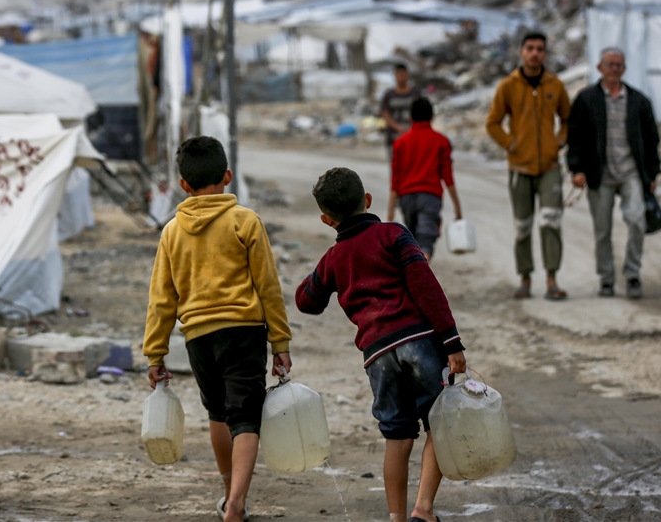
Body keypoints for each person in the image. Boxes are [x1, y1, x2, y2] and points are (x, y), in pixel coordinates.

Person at [295, 167, 466, 522]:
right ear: (368, 200)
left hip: (377, 356)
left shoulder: (333, 258)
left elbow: (306, 301)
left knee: (397, 437)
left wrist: (321, 273)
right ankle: (423, 509)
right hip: (419, 343)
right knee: (440, 424)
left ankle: (396, 517)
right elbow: (425, 286)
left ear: (327, 220)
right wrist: (452, 342)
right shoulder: (394, 234)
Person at [143, 136, 293, 522]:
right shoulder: (245, 221)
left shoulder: (172, 232)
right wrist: (280, 341)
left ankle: (228, 495)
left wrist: (155, 353)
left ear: (184, 185)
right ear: (227, 176)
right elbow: (268, 286)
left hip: (197, 337)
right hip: (243, 332)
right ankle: (238, 502)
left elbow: (161, 300)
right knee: (245, 417)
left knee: (218, 415)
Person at [567, 48, 661, 299]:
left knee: (637, 221)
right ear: (600, 68)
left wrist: (652, 174)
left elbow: (651, 139)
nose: (614, 69)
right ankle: (606, 279)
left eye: (619, 65)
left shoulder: (638, 101)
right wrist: (576, 169)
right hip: (599, 174)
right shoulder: (587, 99)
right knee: (602, 230)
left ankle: (632, 274)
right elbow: (574, 136)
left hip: (631, 173)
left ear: (624, 69)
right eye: (610, 64)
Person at [486, 32, 572, 300]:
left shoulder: (555, 84)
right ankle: (525, 279)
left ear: (545, 53)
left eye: (540, 49)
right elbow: (493, 122)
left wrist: (559, 142)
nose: (535, 53)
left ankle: (552, 280)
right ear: (522, 52)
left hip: (549, 167)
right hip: (519, 168)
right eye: (530, 48)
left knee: (550, 222)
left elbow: (568, 119)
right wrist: (511, 144)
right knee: (523, 226)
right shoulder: (508, 85)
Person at [388, 97, 463, 260]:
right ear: (432, 116)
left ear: (410, 117)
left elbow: (395, 179)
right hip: (430, 197)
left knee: (414, 240)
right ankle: (421, 268)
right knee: (426, 240)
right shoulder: (441, 141)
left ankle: (416, 269)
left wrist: (391, 208)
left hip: (406, 198)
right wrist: (457, 205)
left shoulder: (400, 143)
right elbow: (448, 177)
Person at [380, 63, 420, 159]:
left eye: (403, 74)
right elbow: (385, 114)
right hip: (393, 138)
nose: (401, 77)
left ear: (408, 75)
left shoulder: (416, 93)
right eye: (398, 74)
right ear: (395, 76)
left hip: (413, 137)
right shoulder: (389, 95)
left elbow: (421, 113)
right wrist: (399, 128)